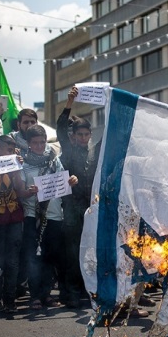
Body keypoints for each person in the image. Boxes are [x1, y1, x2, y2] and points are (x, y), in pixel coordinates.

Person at [20, 124, 77, 310]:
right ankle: (35, 296)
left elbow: (63, 180)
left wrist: (71, 180)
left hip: (54, 215)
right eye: (35, 143)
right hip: (32, 216)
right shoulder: (23, 163)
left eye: (42, 142)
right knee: (34, 257)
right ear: (28, 143)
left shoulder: (54, 160)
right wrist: (29, 192)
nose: (39, 146)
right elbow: (21, 192)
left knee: (50, 257)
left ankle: (46, 295)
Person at [0, 135, 36, 313]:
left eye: (13, 151)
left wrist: (31, 191)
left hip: (14, 219)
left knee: (12, 261)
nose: (12, 153)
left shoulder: (14, 166)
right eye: (9, 150)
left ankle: (10, 300)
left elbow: (20, 190)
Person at [57, 86, 100, 308]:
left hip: (90, 208)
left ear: (90, 135)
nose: (83, 138)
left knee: (90, 251)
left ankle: (87, 291)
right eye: (79, 134)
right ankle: (71, 293)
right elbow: (61, 127)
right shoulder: (69, 150)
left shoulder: (95, 153)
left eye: (86, 134)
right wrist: (69, 103)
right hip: (71, 209)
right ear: (73, 136)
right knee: (73, 252)